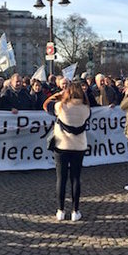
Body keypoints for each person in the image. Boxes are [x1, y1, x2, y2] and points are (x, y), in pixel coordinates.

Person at [43, 81, 91, 221]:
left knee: (61, 178)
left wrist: (57, 95)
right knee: (76, 178)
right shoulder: (86, 108)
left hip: (62, 146)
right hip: (79, 146)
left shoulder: (61, 106)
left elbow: (45, 105)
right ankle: (75, 211)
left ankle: (61, 210)